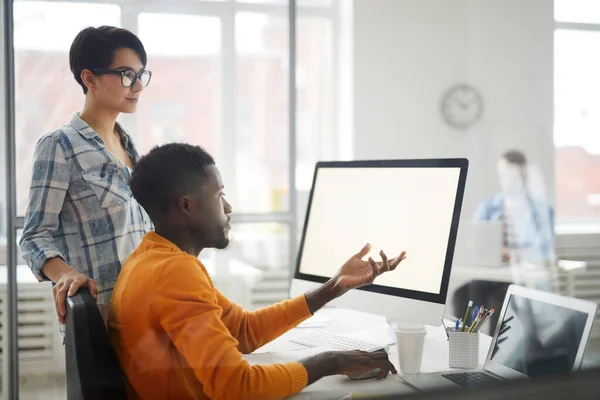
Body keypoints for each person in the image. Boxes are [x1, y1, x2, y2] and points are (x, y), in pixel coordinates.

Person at [108, 143, 407, 400]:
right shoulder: (174, 272)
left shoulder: (150, 258)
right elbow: (237, 387)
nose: (228, 207)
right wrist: (331, 361)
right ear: (187, 205)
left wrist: (333, 287)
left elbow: (242, 331)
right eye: (219, 195)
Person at [19, 26, 153, 326]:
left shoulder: (129, 145)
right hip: (102, 319)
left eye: (141, 74)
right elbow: (33, 236)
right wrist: (65, 273)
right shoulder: (59, 146)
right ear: (89, 78)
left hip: (148, 312)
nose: (138, 85)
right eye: (126, 74)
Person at [454, 150, 555, 333]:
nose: (505, 179)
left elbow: (545, 251)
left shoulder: (540, 210)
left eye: (509, 174)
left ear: (522, 173)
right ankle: (464, 346)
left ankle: (495, 354)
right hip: (491, 274)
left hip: (519, 277)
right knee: (462, 296)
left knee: (499, 301)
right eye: (502, 174)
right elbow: (473, 239)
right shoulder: (489, 206)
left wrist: (512, 254)